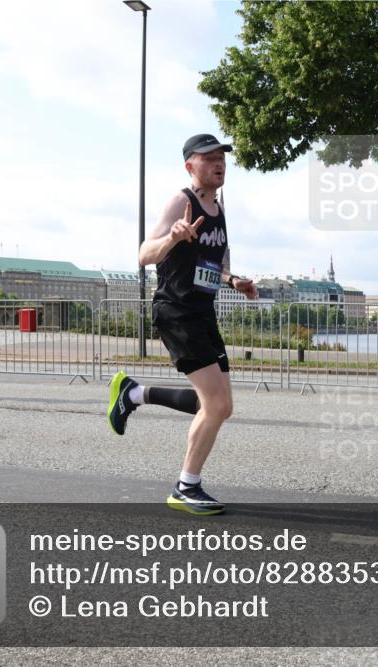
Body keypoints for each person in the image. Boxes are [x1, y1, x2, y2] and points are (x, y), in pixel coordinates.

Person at [107, 133, 258, 516]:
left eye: (222, 157)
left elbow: (215, 267)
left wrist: (233, 282)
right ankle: (185, 487)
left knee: (220, 407)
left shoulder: (220, 210)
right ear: (190, 165)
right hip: (176, 311)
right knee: (217, 403)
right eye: (209, 158)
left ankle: (134, 393)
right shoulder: (181, 201)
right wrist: (172, 238)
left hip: (202, 311)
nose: (219, 163)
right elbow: (144, 254)